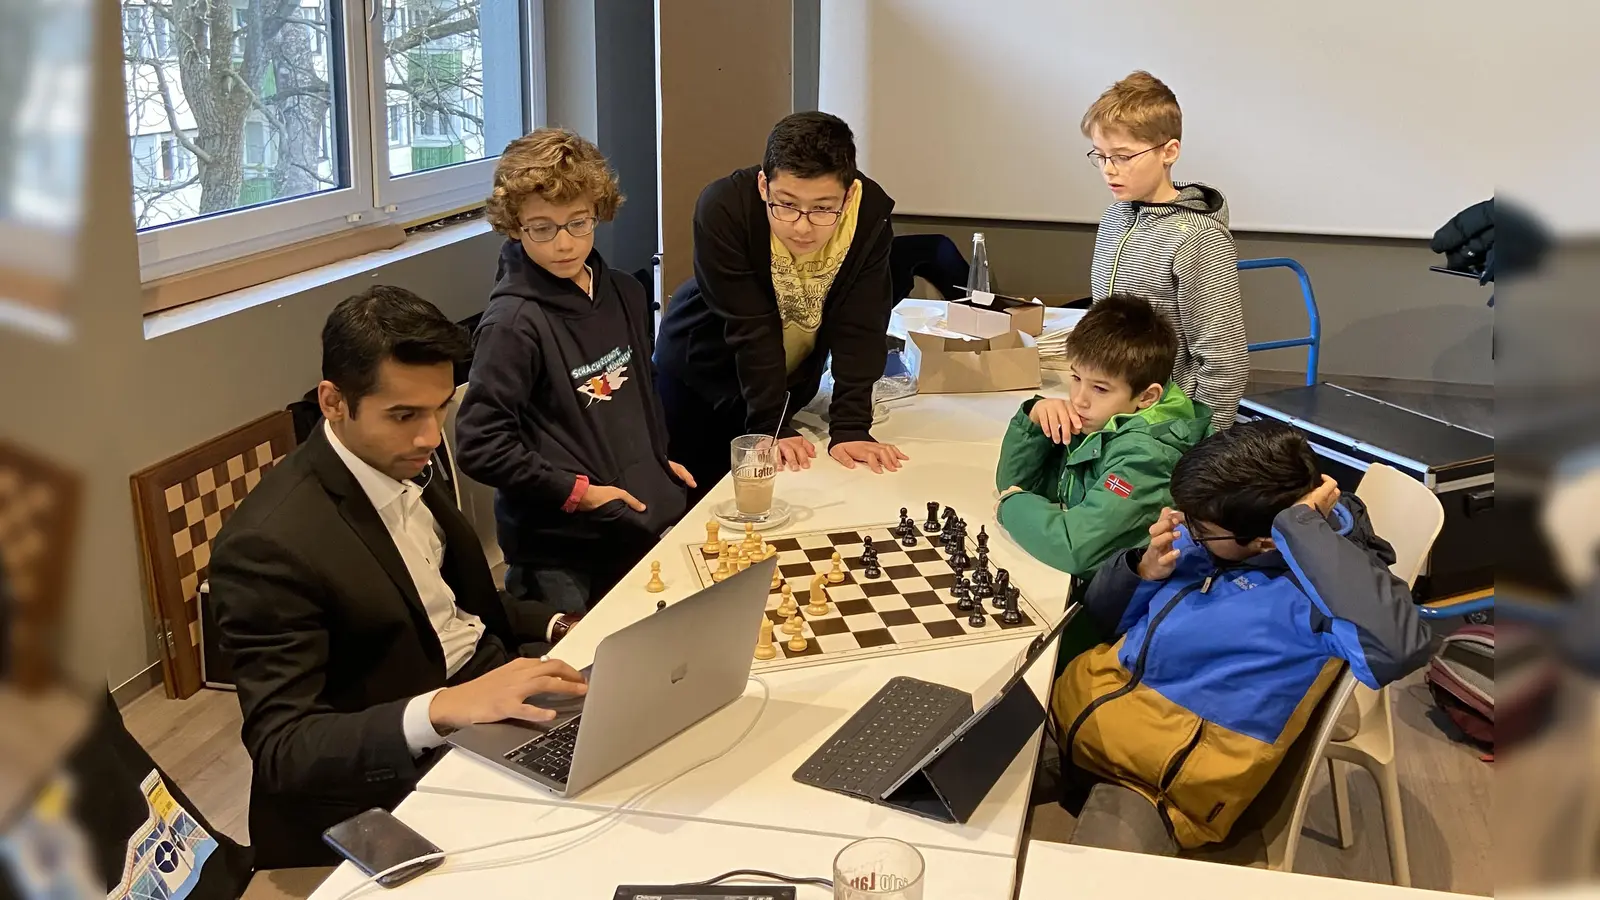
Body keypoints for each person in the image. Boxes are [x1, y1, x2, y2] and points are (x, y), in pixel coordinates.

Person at [209, 287, 588, 868]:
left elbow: (449, 604)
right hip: (391, 779)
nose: (431, 436)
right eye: (404, 415)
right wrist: (444, 709)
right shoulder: (267, 545)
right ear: (334, 402)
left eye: (441, 408)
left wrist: (562, 624)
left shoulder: (397, 461)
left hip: (484, 693)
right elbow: (283, 748)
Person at [1053, 422, 1431, 853]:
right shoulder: (1213, 532)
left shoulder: (1323, 595)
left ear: (1266, 542)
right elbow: (1102, 618)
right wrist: (1141, 570)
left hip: (1151, 784)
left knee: (1088, 880)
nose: (1186, 529)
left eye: (1200, 527)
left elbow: (1398, 648)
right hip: (1071, 710)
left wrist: (1301, 528)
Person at [455, 128, 691, 612]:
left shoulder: (624, 291)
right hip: (559, 551)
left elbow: (640, 389)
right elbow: (480, 445)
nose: (564, 244)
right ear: (514, 226)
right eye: (542, 228)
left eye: (578, 223)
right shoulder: (512, 325)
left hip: (630, 525)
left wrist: (654, 458)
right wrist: (577, 493)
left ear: (597, 213)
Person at [654, 111, 908, 499]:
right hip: (701, 376)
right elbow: (750, 327)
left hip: (779, 386)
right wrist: (769, 425)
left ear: (849, 195)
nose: (801, 226)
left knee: (777, 502)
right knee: (694, 503)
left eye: (822, 208)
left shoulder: (867, 214)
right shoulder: (725, 208)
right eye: (786, 204)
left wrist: (850, 426)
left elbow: (862, 322)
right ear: (763, 185)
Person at [994, 294, 1211, 579]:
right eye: (1076, 378)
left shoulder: (1147, 457)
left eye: (1100, 389)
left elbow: (1074, 550)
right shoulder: (1105, 420)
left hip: (1126, 598)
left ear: (1147, 397)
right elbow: (1017, 484)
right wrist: (1034, 421)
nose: (1079, 399)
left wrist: (1011, 506)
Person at [1081, 71, 1249, 429]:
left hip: (1167, 429)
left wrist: (1199, 443)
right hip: (1113, 421)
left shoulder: (1199, 239)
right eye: (1101, 156)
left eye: (1123, 156)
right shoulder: (1114, 219)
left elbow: (1224, 361)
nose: (1109, 170)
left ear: (1169, 152)